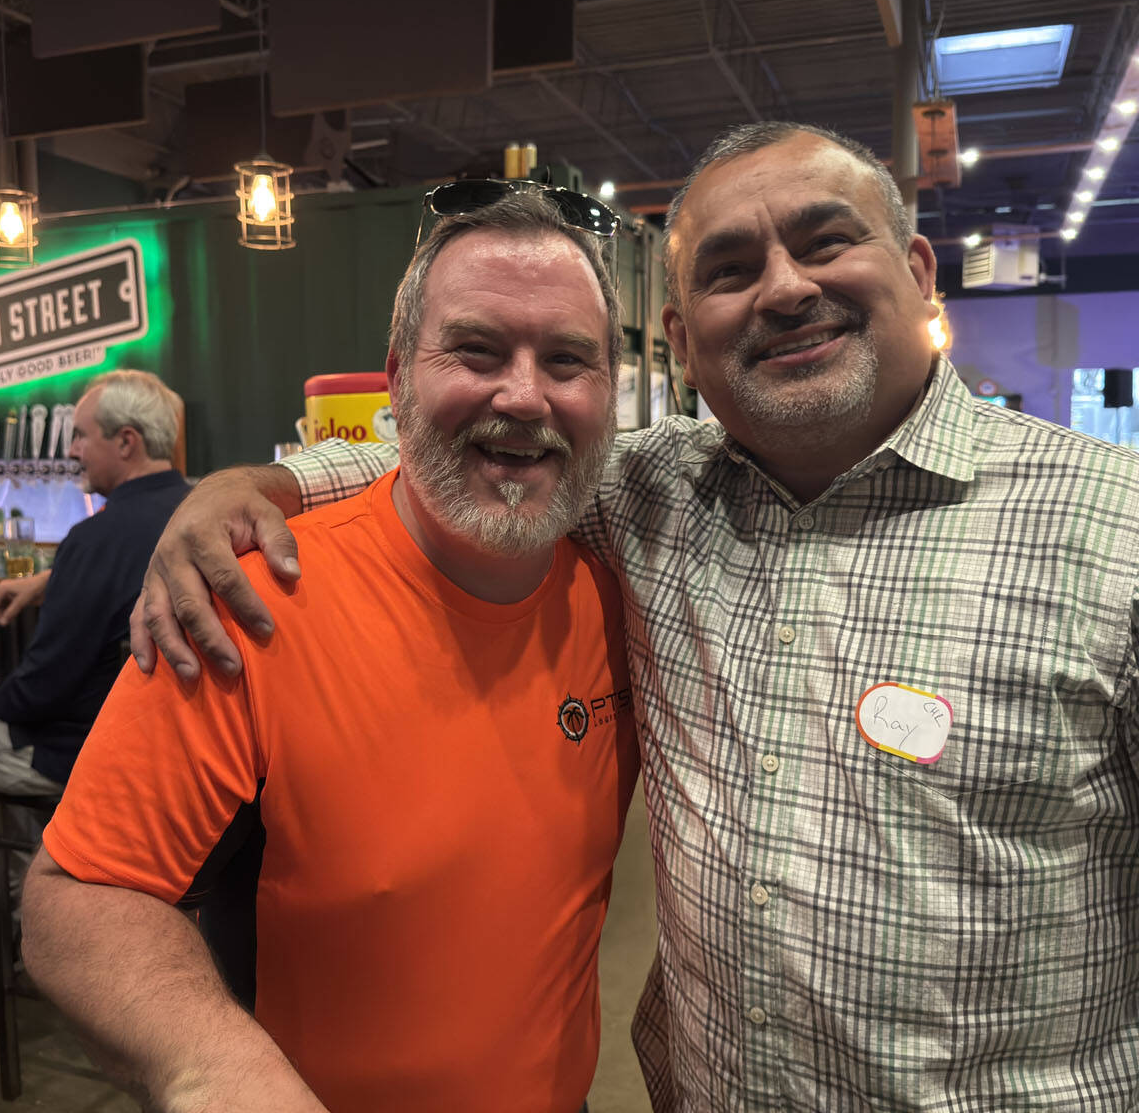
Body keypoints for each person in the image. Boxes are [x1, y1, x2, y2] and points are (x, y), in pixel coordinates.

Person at [129, 121, 1139, 1112]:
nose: (786, 288)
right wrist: (251, 486)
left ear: (920, 272)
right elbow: (468, 451)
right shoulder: (649, 494)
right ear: (679, 342)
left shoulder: (1113, 530)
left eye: (826, 241)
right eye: (730, 269)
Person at [22, 189, 639, 1113]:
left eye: (566, 360)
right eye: (475, 350)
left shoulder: (622, 593)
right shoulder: (252, 597)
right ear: (396, 379)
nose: (522, 395)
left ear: (610, 391)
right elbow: (79, 892)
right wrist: (221, 1073)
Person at [0, 369, 188, 901]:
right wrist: (50, 581)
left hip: (85, 750)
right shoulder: (197, 509)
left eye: (81, 435)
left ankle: (31, 913)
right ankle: (55, 875)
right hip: (174, 750)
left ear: (126, 442)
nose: (72, 450)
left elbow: (42, 689)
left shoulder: (94, 538)